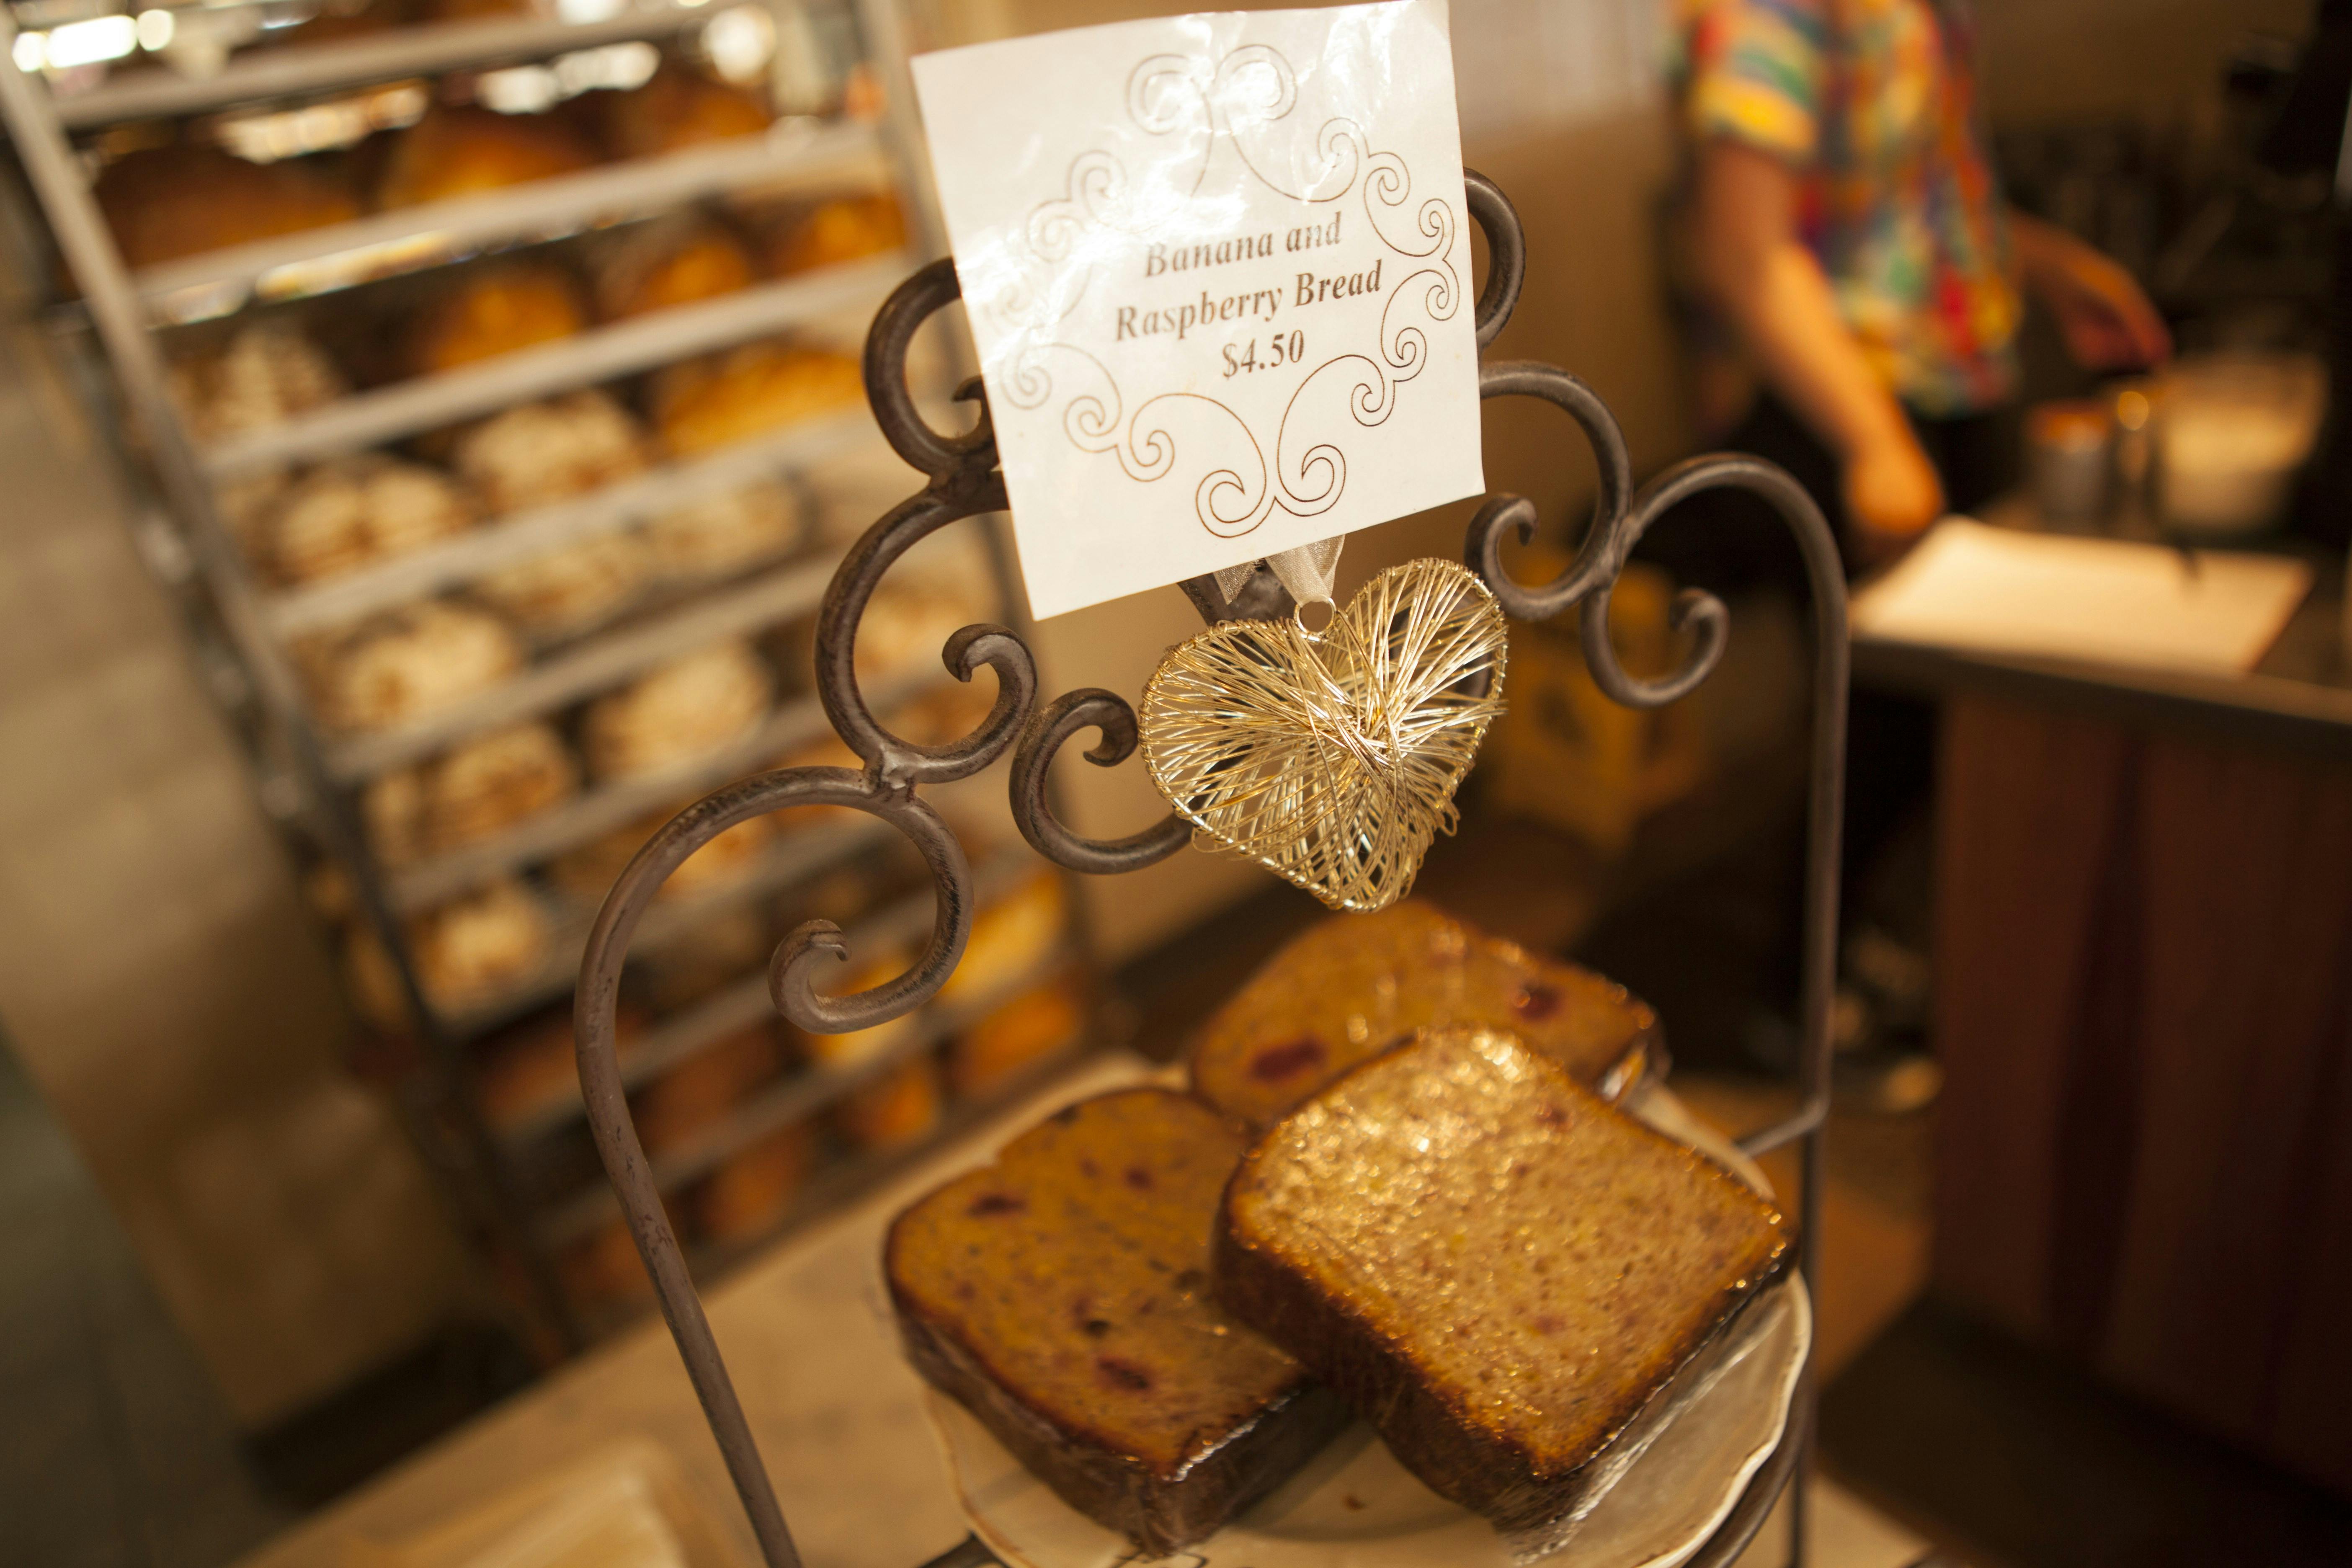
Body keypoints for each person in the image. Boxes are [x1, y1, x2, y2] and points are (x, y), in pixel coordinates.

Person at [1673, 0, 2172, 567]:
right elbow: (1743, 251)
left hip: (1959, 385)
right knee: (1893, 645)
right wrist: (1874, 443)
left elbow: (1911, 205)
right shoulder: (1773, 13)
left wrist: (2054, 266)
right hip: (1844, 398)